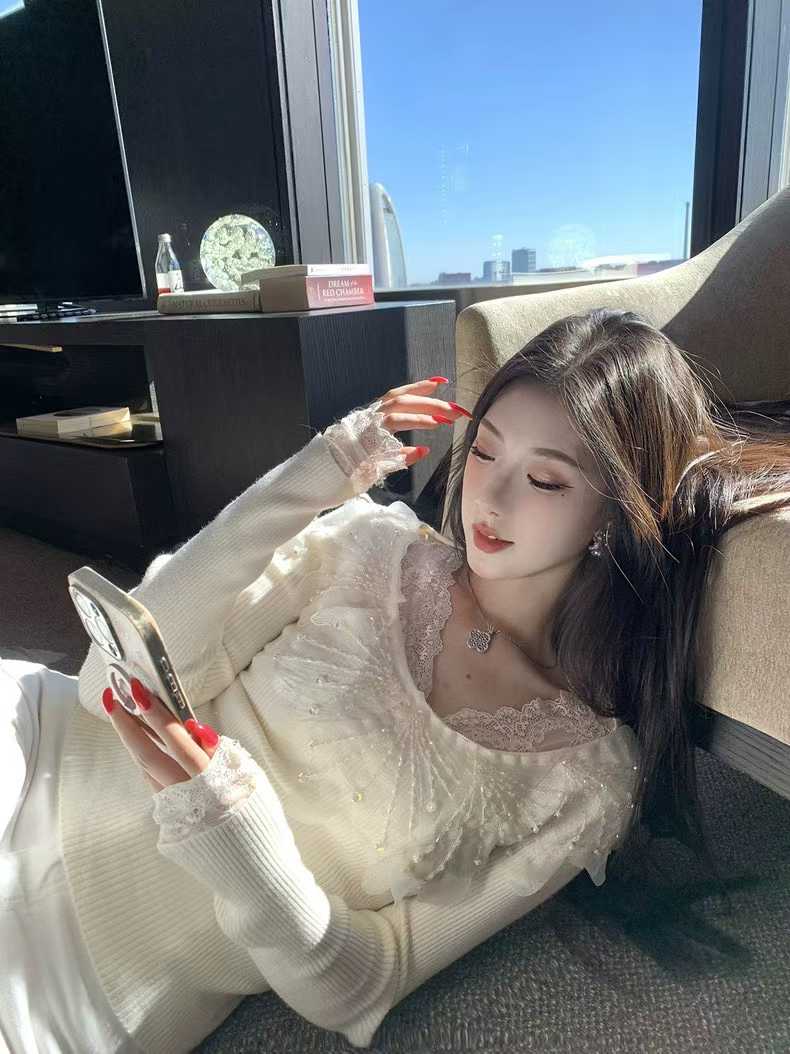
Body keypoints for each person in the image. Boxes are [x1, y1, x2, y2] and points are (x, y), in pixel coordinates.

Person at [2, 306, 789, 1054]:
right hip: (33, 756)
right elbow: (103, 686)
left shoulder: (583, 781)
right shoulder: (368, 545)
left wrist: (233, 832)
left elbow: (360, 985)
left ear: (616, 513)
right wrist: (314, 477)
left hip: (97, 988)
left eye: (546, 480)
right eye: (484, 451)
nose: (489, 497)